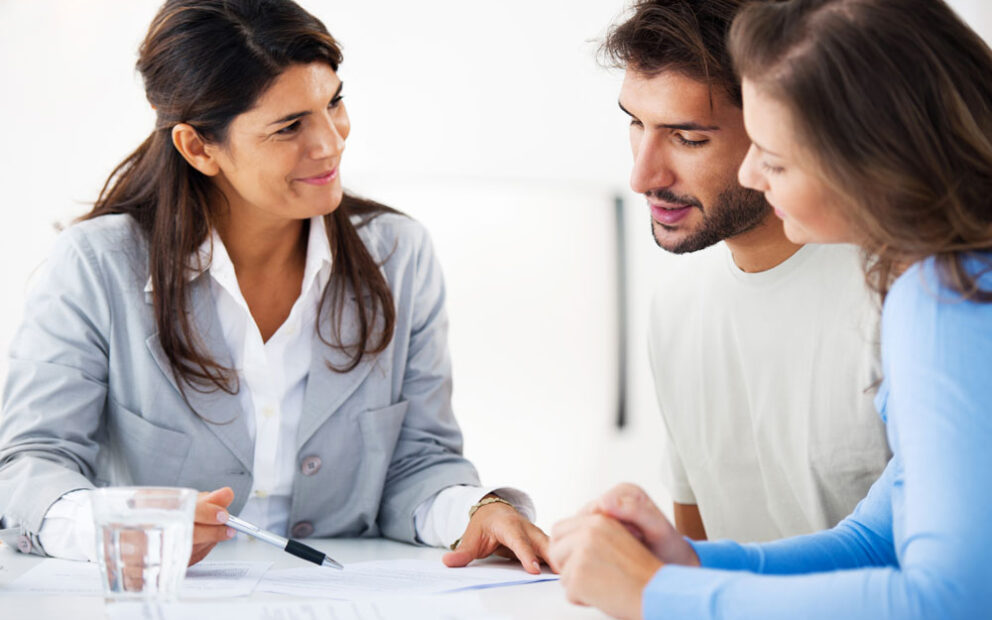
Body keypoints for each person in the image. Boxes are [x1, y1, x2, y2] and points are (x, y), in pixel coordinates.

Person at [0, 0, 548, 573]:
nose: (330, 143)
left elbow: (418, 464)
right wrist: (119, 525)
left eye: (333, 102)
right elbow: (28, 467)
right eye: (289, 126)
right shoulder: (97, 264)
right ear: (197, 147)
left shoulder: (398, 255)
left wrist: (476, 511)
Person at [549, 0, 992, 617]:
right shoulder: (944, 280)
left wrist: (656, 595)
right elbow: (876, 538)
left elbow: (953, 602)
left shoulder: (949, 295)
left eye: (775, 155)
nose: (755, 172)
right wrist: (685, 563)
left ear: (870, 157)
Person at [607, 0, 889, 543]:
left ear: (778, 126)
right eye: (635, 124)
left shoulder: (904, 294)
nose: (641, 176)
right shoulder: (677, 309)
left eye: (688, 138)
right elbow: (697, 555)